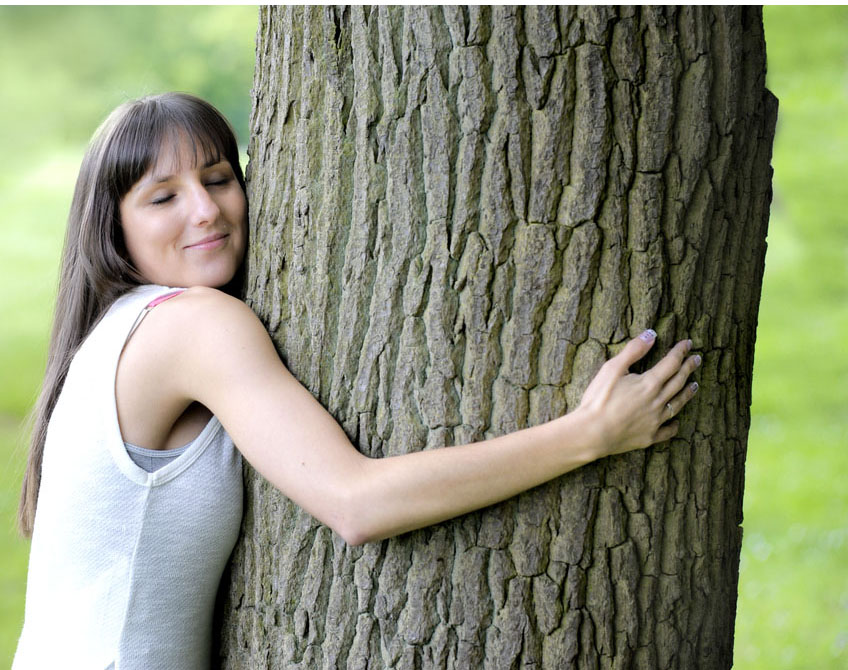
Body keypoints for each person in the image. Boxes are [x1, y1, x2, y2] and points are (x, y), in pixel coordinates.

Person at [13, 93, 700, 669]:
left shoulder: (113, 333)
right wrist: (589, 434)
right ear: (113, 228)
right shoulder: (193, 325)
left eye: (218, 178)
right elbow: (356, 502)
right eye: (163, 196)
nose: (206, 210)